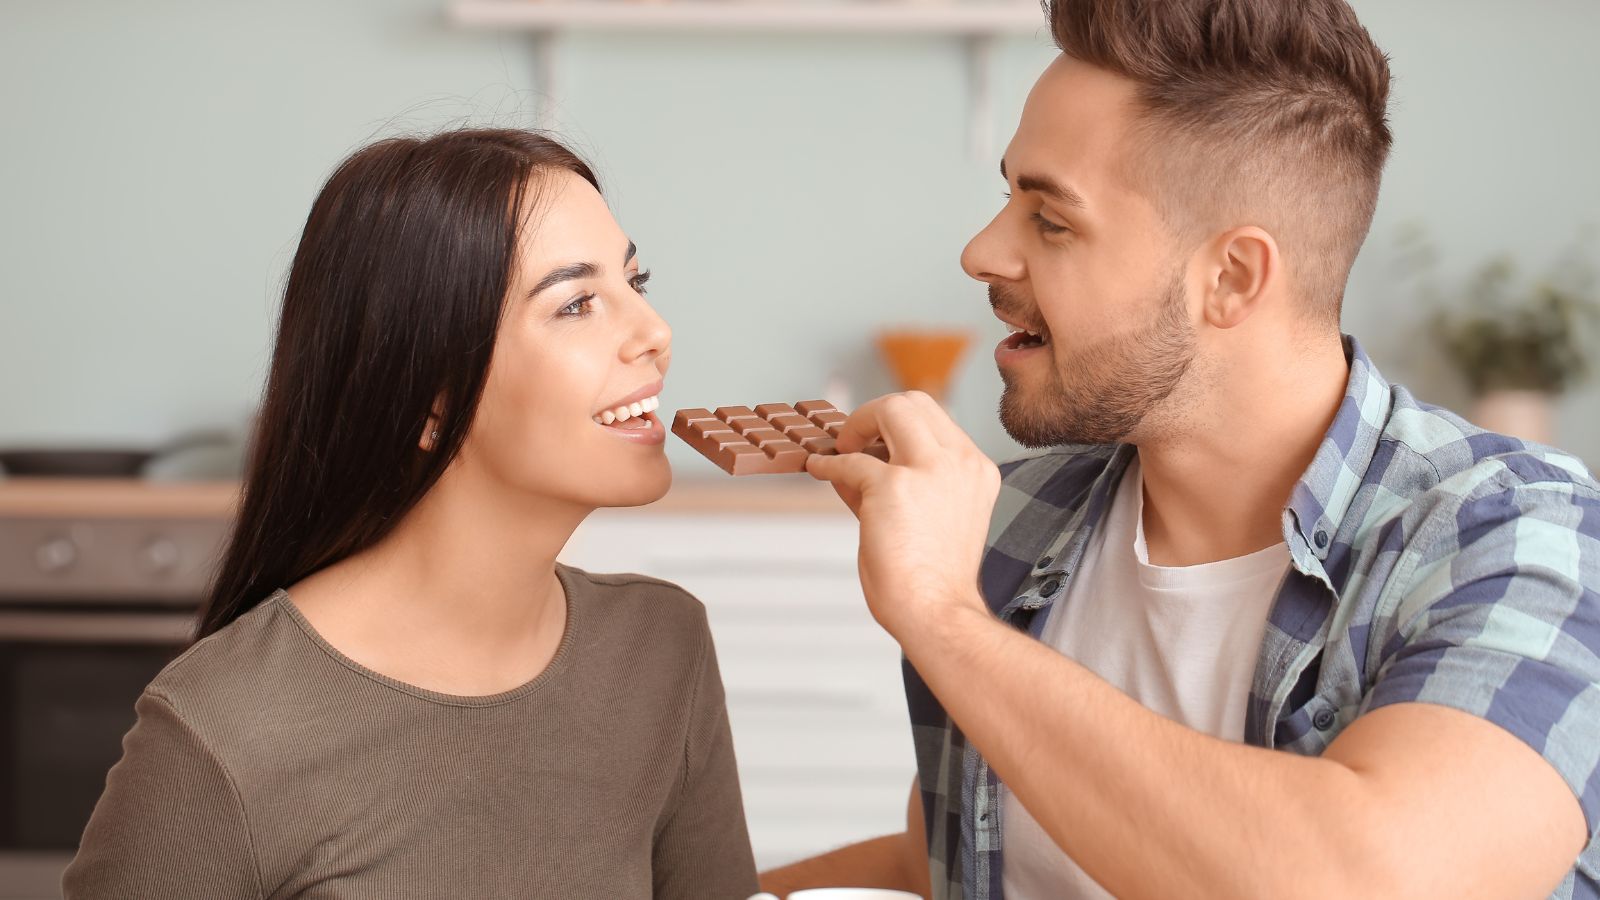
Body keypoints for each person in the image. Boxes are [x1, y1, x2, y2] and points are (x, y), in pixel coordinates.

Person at [764, 0, 1600, 897]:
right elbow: (947, 857)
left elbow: (1366, 877)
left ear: (1232, 278)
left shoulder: (1517, 536)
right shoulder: (1014, 519)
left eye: (1050, 220)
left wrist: (942, 618)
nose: (980, 253)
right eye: (1008, 198)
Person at [64, 128, 758, 899]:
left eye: (638, 283)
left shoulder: (660, 649)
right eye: (578, 303)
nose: (655, 334)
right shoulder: (224, 733)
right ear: (433, 398)